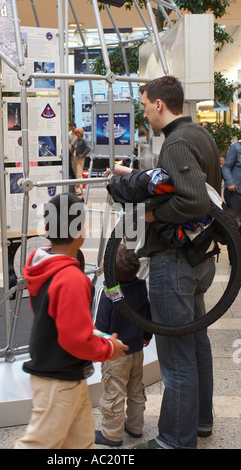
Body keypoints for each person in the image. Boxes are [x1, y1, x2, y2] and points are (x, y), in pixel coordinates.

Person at [105, 75, 222, 449]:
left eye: (144, 105)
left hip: (175, 262)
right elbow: (180, 186)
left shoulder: (175, 142)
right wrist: (135, 177)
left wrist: (147, 217)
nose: (143, 113)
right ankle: (201, 422)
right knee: (196, 341)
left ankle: (175, 438)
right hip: (201, 256)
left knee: (176, 355)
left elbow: (192, 202)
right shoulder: (199, 134)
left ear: (159, 105)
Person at [14, 193, 128, 449]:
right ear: (80, 231)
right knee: (38, 444)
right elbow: (74, 339)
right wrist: (109, 349)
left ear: (47, 229)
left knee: (81, 442)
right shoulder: (73, 279)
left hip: (64, 374)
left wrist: (95, 335)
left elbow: (60, 319)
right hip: (59, 380)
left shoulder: (40, 263)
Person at [94, 244, 152, 447]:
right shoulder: (140, 285)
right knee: (136, 389)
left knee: (114, 392)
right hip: (137, 349)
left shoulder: (108, 291)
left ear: (108, 268)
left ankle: (111, 434)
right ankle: (136, 427)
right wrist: (147, 335)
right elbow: (146, 312)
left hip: (115, 354)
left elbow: (99, 326)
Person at [222, 139, 241, 214]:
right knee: (235, 218)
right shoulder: (235, 147)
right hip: (235, 191)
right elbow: (226, 167)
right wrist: (230, 182)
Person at [71, 128, 91, 198]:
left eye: (78, 133)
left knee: (78, 174)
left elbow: (88, 148)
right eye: (76, 133)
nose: (77, 134)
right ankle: (79, 190)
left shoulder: (83, 140)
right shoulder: (76, 140)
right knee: (76, 174)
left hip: (79, 159)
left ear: (80, 133)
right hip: (74, 158)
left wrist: (82, 155)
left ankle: (79, 190)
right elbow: (73, 147)